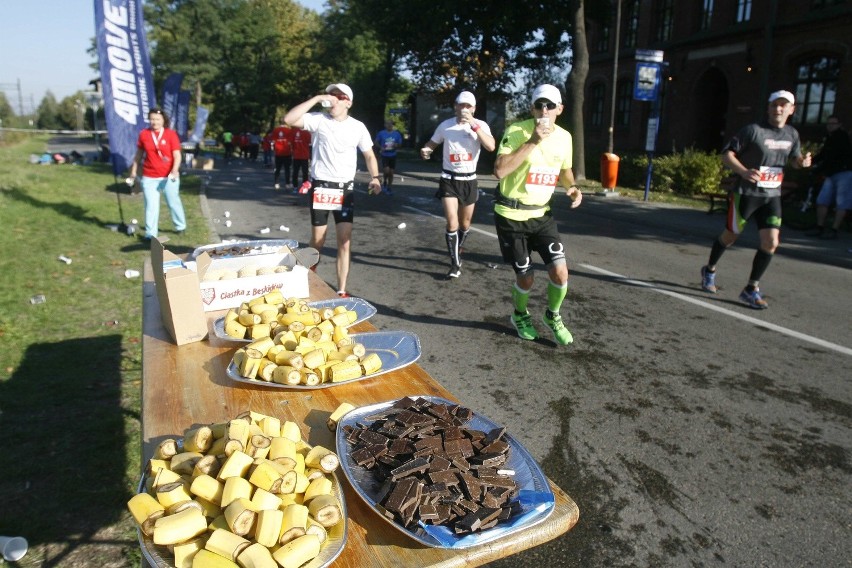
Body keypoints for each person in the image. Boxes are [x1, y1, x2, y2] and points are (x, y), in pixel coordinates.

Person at [700, 90, 812, 309]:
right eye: (774, 105)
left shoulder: (792, 134)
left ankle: (751, 289)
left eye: (783, 105)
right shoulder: (753, 131)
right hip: (746, 194)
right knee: (730, 236)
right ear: (768, 108)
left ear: (792, 110)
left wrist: (802, 162)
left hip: (771, 196)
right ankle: (709, 269)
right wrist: (743, 172)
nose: (778, 109)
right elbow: (727, 154)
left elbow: (794, 161)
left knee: (771, 242)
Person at [492, 84, 583, 346]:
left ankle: (552, 315)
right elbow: (499, 171)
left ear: (560, 109)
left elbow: (565, 170)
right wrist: (533, 140)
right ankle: (520, 314)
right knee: (526, 277)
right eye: (539, 105)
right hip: (511, 214)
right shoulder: (517, 131)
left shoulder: (565, 137)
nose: (544, 110)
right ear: (532, 108)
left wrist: (572, 188)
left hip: (542, 215)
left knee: (560, 271)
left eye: (550, 105)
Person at [284, 83, 382, 297]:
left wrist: (375, 178)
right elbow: (289, 120)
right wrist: (316, 99)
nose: (333, 99)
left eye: (338, 95)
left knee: (344, 240)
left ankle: (341, 290)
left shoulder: (358, 126)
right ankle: (308, 276)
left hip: (344, 189)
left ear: (348, 102)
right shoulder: (318, 120)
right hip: (322, 187)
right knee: (318, 240)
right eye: (331, 95)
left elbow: (369, 155)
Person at [420, 91, 496, 278]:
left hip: (469, 180)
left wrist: (474, 125)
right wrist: (426, 150)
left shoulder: (480, 125)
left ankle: (458, 247)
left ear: (474, 109)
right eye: (461, 105)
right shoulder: (446, 126)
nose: (464, 109)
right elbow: (432, 143)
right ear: (455, 106)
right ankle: (455, 264)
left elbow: (491, 146)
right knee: (452, 222)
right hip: (449, 179)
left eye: (468, 106)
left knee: (465, 223)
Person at [128, 107, 186, 240]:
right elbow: (138, 155)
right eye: (152, 119)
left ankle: (180, 226)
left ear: (163, 120)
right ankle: (150, 234)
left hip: (168, 177)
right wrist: (133, 171)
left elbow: (177, 155)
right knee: (151, 206)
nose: (154, 122)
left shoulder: (171, 134)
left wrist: (175, 170)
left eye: (157, 119)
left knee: (173, 202)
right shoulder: (144, 134)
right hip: (149, 176)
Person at [810, 115, 852, 239]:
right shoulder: (830, 137)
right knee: (822, 200)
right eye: (828, 124)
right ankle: (820, 227)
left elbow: (833, 157)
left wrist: (819, 168)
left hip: (843, 172)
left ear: (839, 124)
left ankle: (834, 229)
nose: (830, 126)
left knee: (841, 202)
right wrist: (811, 161)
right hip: (831, 173)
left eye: (833, 124)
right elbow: (824, 154)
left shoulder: (842, 137)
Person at [375, 119, 403, 194]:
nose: (389, 125)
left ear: (392, 125)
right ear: (385, 125)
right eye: (387, 124)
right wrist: (381, 147)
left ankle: (389, 186)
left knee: (391, 172)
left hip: (393, 154)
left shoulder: (396, 134)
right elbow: (376, 142)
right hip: (385, 155)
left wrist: (397, 145)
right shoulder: (381, 133)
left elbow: (400, 144)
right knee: (386, 171)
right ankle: (384, 182)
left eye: (390, 124)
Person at [271, 119, 294, 191]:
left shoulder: (275, 130)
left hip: (278, 152)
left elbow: (273, 141)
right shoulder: (289, 130)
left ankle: (276, 183)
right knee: (287, 169)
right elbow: (291, 142)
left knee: (277, 169)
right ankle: (287, 184)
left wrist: (273, 149)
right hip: (287, 152)